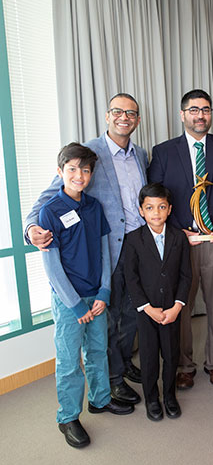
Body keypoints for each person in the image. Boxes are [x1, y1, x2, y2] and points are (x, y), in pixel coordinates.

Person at [24, 93, 148, 406]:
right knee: (104, 323)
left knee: (130, 315)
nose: (124, 117)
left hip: (138, 247)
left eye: (131, 113)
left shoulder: (141, 154)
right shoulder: (87, 154)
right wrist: (30, 229)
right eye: (118, 111)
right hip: (107, 248)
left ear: (137, 119)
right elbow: (48, 198)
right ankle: (112, 380)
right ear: (107, 116)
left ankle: (120, 366)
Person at [148, 89, 213, 388]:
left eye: (205, 109)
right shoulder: (164, 151)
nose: (200, 115)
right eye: (193, 110)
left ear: (211, 113)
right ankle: (184, 364)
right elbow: (156, 195)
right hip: (181, 242)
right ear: (182, 115)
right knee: (181, 305)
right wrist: (178, 230)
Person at [39, 143, 133, 449]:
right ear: (60, 172)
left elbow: (105, 252)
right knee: (69, 361)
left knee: (97, 351)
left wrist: (104, 291)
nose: (79, 175)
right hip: (70, 302)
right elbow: (51, 265)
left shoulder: (94, 207)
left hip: (97, 296)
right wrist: (75, 303)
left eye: (85, 170)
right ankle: (67, 417)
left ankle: (100, 399)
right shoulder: (50, 211)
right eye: (72, 169)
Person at [123, 183, 192, 421]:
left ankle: (170, 397)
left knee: (172, 356)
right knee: (150, 357)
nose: (156, 212)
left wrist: (177, 306)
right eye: (150, 207)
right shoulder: (133, 240)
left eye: (161, 207)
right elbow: (131, 278)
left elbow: (186, 275)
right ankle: (152, 399)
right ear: (141, 210)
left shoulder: (179, 238)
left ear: (170, 209)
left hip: (172, 310)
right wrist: (147, 307)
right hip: (147, 312)